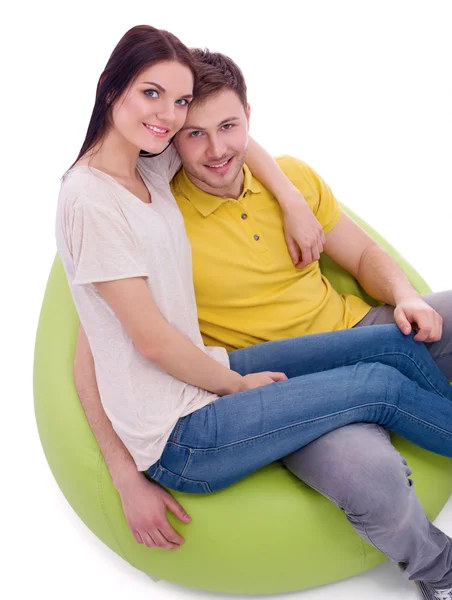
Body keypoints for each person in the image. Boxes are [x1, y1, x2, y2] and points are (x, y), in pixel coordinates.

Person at [59, 27, 452, 600]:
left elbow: (222, 137)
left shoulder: (156, 172)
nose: (211, 147)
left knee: (391, 354)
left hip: (293, 351)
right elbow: (111, 345)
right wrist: (126, 471)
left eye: (183, 107)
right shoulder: (116, 194)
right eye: (159, 103)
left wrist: (291, 198)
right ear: (113, 90)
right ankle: (441, 573)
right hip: (217, 408)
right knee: (378, 416)